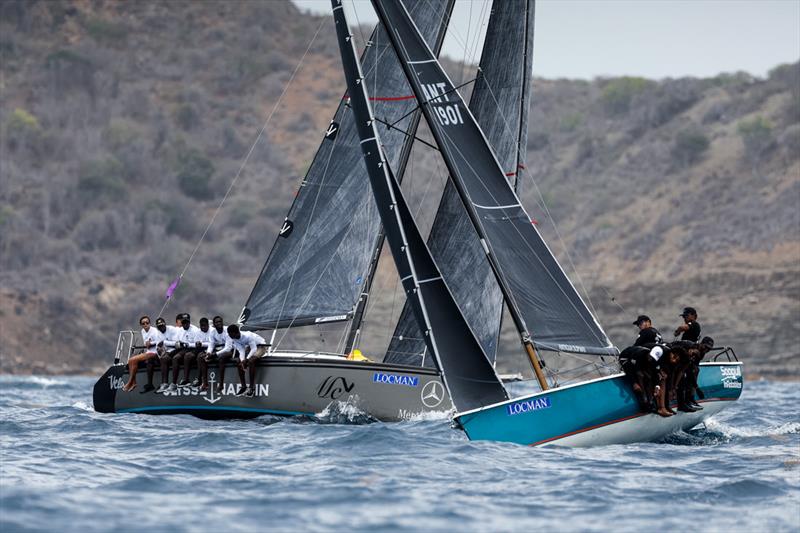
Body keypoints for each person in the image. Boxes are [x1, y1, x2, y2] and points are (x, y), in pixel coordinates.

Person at [123, 315, 163, 392]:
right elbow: (146, 343)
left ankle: (130, 382)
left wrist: (151, 343)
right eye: (143, 323)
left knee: (133, 359)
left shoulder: (154, 331)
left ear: (150, 323)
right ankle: (133, 382)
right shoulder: (142, 331)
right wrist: (146, 344)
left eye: (147, 323)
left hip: (155, 353)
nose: (145, 325)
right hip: (148, 352)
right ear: (141, 325)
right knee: (130, 360)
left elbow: (159, 341)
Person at [227, 324, 269, 397]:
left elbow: (254, 349)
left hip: (260, 346)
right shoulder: (234, 338)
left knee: (251, 361)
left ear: (236, 333)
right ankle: (243, 386)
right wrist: (243, 360)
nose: (229, 336)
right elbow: (241, 350)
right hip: (250, 347)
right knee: (239, 362)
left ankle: (252, 387)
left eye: (230, 334)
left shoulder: (247, 336)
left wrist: (247, 359)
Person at [197, 316, 231, 392]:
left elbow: (228, 348)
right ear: (214, 324)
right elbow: (211, 345)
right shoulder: (213, 332)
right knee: (202, 357)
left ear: (222, 322)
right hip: (217, 350)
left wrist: (215, 354)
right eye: (217, 322)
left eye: (220, 322)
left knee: (221, 358)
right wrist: (209, 353)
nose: (219, 323)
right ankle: (205, 384)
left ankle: (221, 385)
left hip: (229, 350)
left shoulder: (227, 330)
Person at [169, 313, 202, 390]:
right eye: (183, 322)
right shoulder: (180, 330)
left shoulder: (195, 330)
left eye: (187, 322)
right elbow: (177, 341)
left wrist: (188, 345)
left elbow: (198, 345)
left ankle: (186, 379)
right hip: (184, 349)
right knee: (175, 358)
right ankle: (173, 383)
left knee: (187, 356)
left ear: (189, 322)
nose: (185, 324)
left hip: (195, 349)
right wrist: (178, 344)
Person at [154, 314, 185, 393]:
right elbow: (158, 346)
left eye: (162, 325)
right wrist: (160, 351)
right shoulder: (158, 333)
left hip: (178, 349)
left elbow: (176, 343)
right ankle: (164, 383)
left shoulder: (172, 329)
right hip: (168, 351)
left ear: (165, 324)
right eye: (159, 326)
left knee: (169, 358)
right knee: (163, 358)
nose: (161, 327)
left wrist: (165, 342)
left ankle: (174, 383)